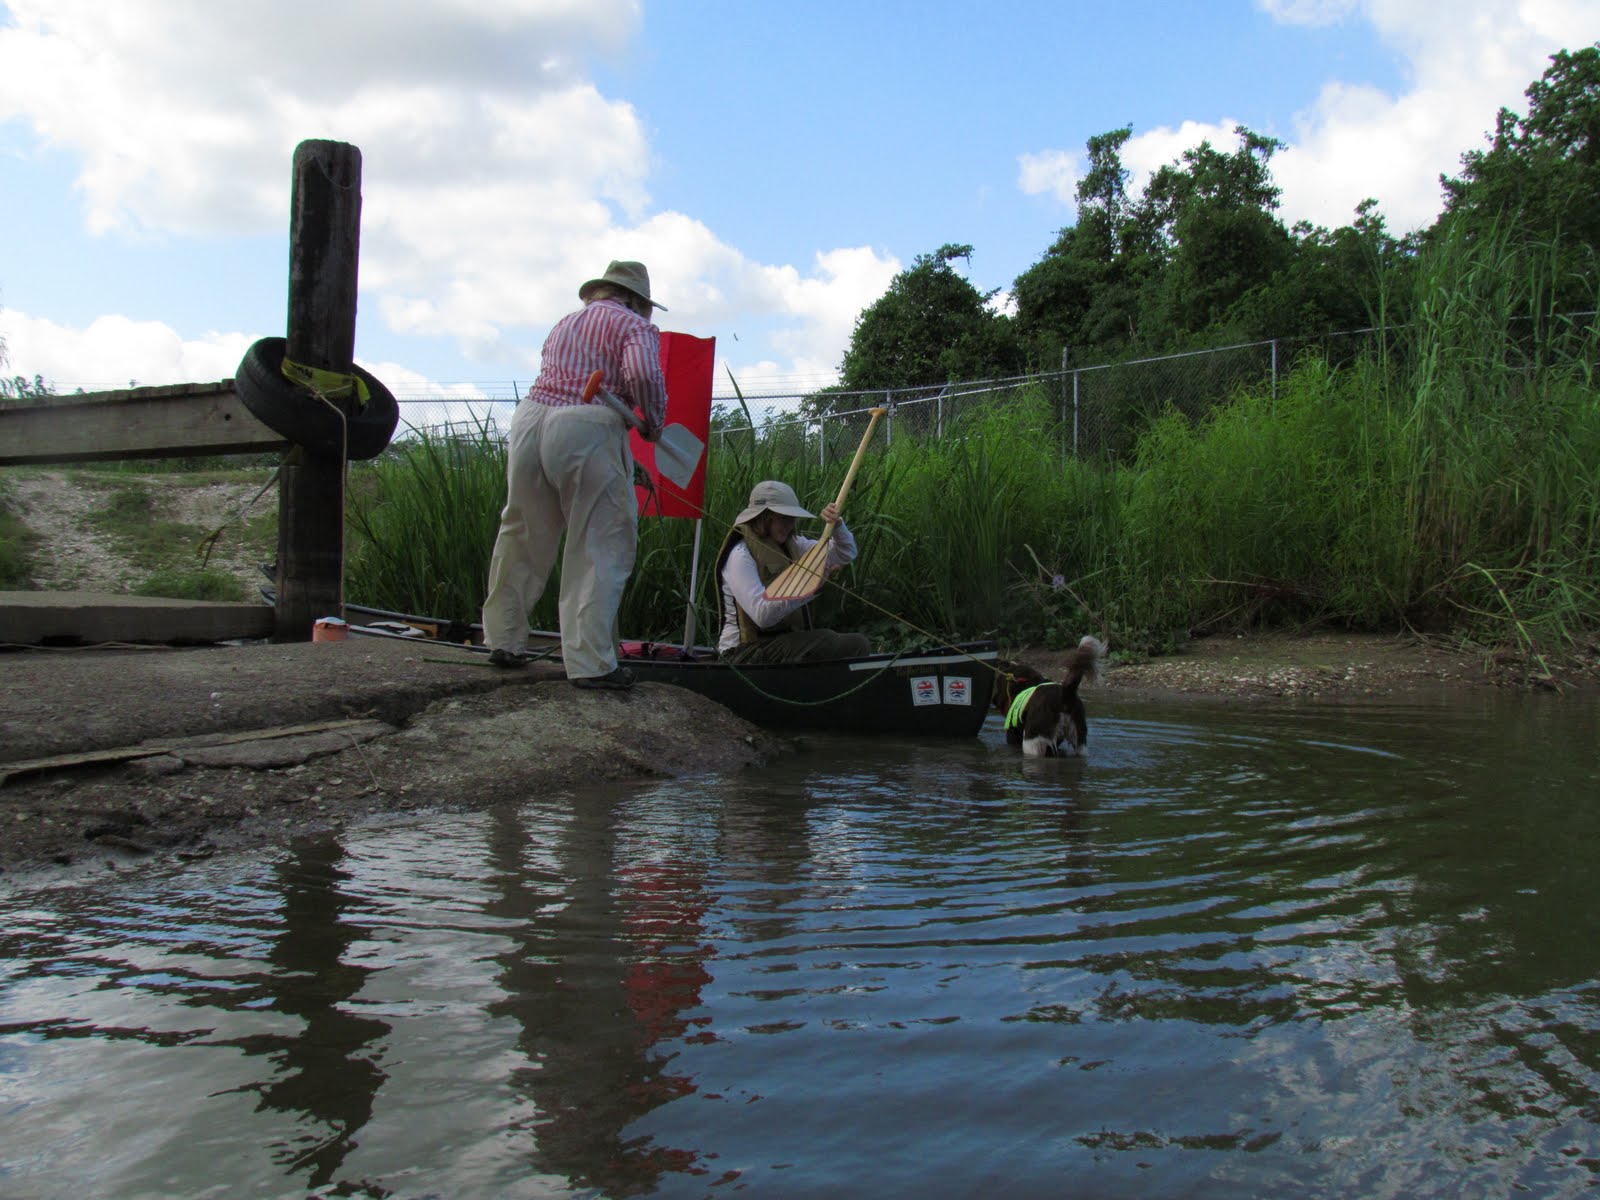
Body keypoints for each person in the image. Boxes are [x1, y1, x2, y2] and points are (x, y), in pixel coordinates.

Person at [481, 260, 668, 690]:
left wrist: (626, 459)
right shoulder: (632, 324)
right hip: (587, 423)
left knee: (522, 533)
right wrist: (653, 419)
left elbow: (560, 402)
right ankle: (591, 663)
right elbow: (641, 373)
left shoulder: (565, 322)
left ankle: (503, 639)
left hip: (530, 421)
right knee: (600, 540)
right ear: (637, 300)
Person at [715, 480, 872, 664]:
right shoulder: (740, 555)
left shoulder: (793, 544)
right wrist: (808, 586)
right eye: (783, 518)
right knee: (836, 641)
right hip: (741, 653)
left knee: (857, 644)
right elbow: (762, 616)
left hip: (779, 644)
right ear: (764, 517)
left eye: (792, 518)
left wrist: (837, 526)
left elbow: (844, 553)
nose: (790, 524)